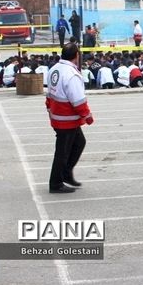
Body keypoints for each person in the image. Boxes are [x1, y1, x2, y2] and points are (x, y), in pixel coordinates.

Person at [46, 42, 94, 194]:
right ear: (76, 56)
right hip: (66, 118)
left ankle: (66, 173)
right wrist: (87, 115)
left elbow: (49, 93)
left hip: (58, 115)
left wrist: (48, 106)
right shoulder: (71, 74)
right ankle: (56, 182)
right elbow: (78, 99)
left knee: (79, 142)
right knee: (62, 151)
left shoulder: (55, 69)